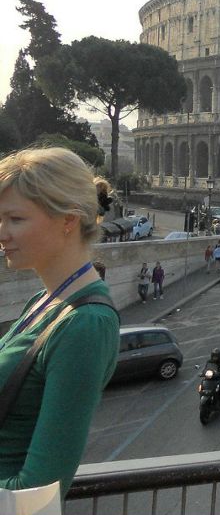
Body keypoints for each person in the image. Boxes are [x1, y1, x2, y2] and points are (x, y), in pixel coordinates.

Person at [0, 146, 120, 495]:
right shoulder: (44, 300)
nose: (2, 233)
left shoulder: (86, 325)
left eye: (16, 219)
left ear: (68, 220)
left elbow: (39, 487)